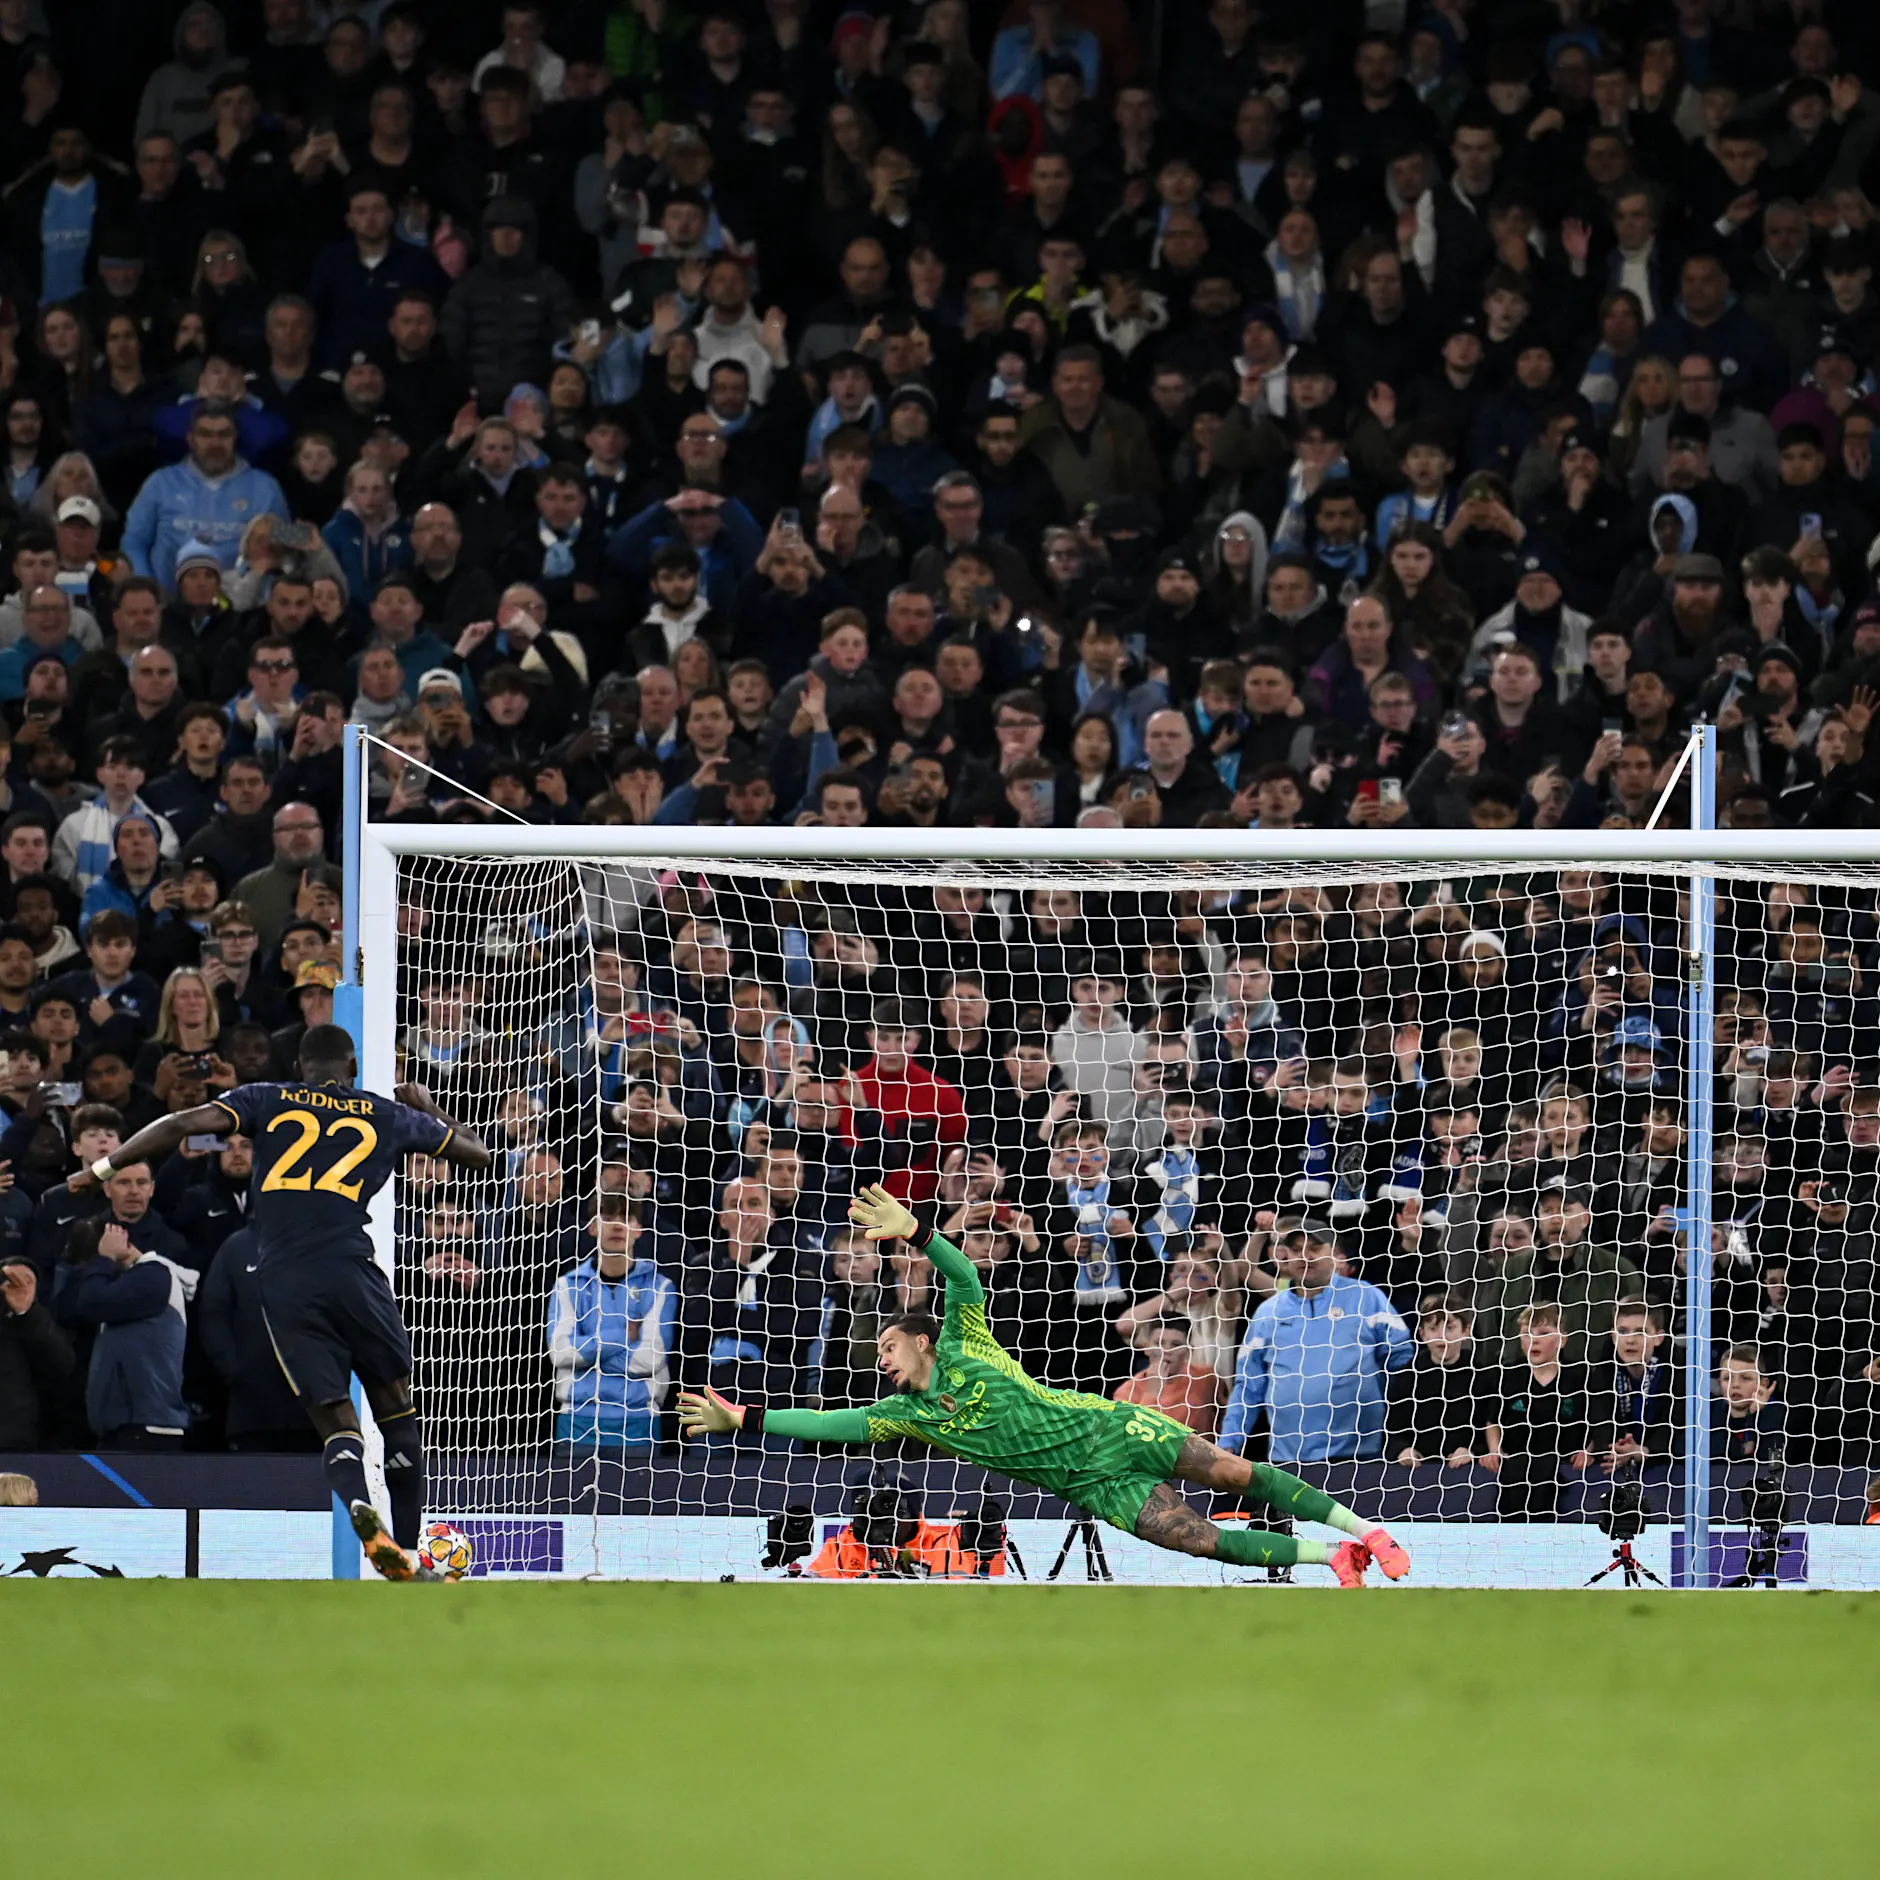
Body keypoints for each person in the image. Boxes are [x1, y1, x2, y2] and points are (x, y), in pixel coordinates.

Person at [679, 1185, 1413, 1586]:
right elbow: (823, 1424)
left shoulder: (966, 1339)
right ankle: (1333, 1560)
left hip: (1109, 1428)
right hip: (1094, 1487)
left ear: (922, 1338)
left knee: (1232, 1470)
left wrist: (916, 1231)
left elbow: (963, 1275)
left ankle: (1366, 1532)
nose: (881, 1358)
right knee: (1199, 1541)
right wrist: (744, 1418)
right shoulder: (906, 1415)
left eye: (888, 1344)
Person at [66, 1022, 492, 1580]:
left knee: (335, 1418)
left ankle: (362, 1511)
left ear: (299, 1069)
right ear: (352, 1070)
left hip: (285, 1277)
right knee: (396, 1410)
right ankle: (410, 1555)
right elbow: (480, 1156)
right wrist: (432, 1107)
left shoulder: (267, 1097)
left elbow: (179, 1123)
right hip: (351, 1267)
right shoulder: (384, 1112)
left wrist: (100, 1168)